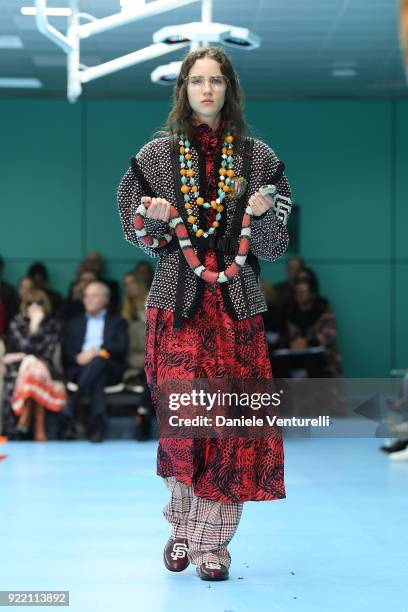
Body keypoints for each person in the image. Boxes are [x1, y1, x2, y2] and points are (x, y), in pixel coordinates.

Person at [117, 46, 292, 581]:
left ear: (230, 89)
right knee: (183, 424)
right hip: (177, 306)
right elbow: (135, 230)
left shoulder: (260, 159)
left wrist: (261, 215)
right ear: (184, 90)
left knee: (231, 430)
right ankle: (182, 525)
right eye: (197, 81)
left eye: (217, 80)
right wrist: (155, 217)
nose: (208, 89)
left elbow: (278, 244)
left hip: (237, 310)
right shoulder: (154, 158)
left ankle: (211, 546)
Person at [61, 281, 128, 443]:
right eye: (86, 296)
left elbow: (122, 346)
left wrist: (99, 351)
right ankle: (97, 424)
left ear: (105, 299)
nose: (88, 300)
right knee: (97, 376)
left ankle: (74, 401)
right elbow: (65, 349)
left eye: (94, 296)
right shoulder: (73, 323)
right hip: (81, 368)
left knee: (99, 361)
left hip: (109, 366)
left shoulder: (117, 321)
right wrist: (78, 357)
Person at [1, 288, 66, 440]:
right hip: (18, 369)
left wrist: (36, 326)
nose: (34, 306)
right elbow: (25, 348)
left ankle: (26, 415)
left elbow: (46, 352)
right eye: (30, 303)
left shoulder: (53, 324)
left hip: (46, 367)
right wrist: (34, 327)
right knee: (30, 364)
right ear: (25, 305)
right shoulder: (17, 322)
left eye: (39, 303)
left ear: (46, 305)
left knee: (33, 364)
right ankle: (39, 426)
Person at [121, 271, 153, 440]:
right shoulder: (127, 316)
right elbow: (129, 349)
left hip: (155, 362)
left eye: (132, 282)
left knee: (150, 371)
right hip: (136, 365)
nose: (129, 287)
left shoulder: (155, 308)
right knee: (148, 371)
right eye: (126, 284)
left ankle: (143, 412)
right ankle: (144, 413)